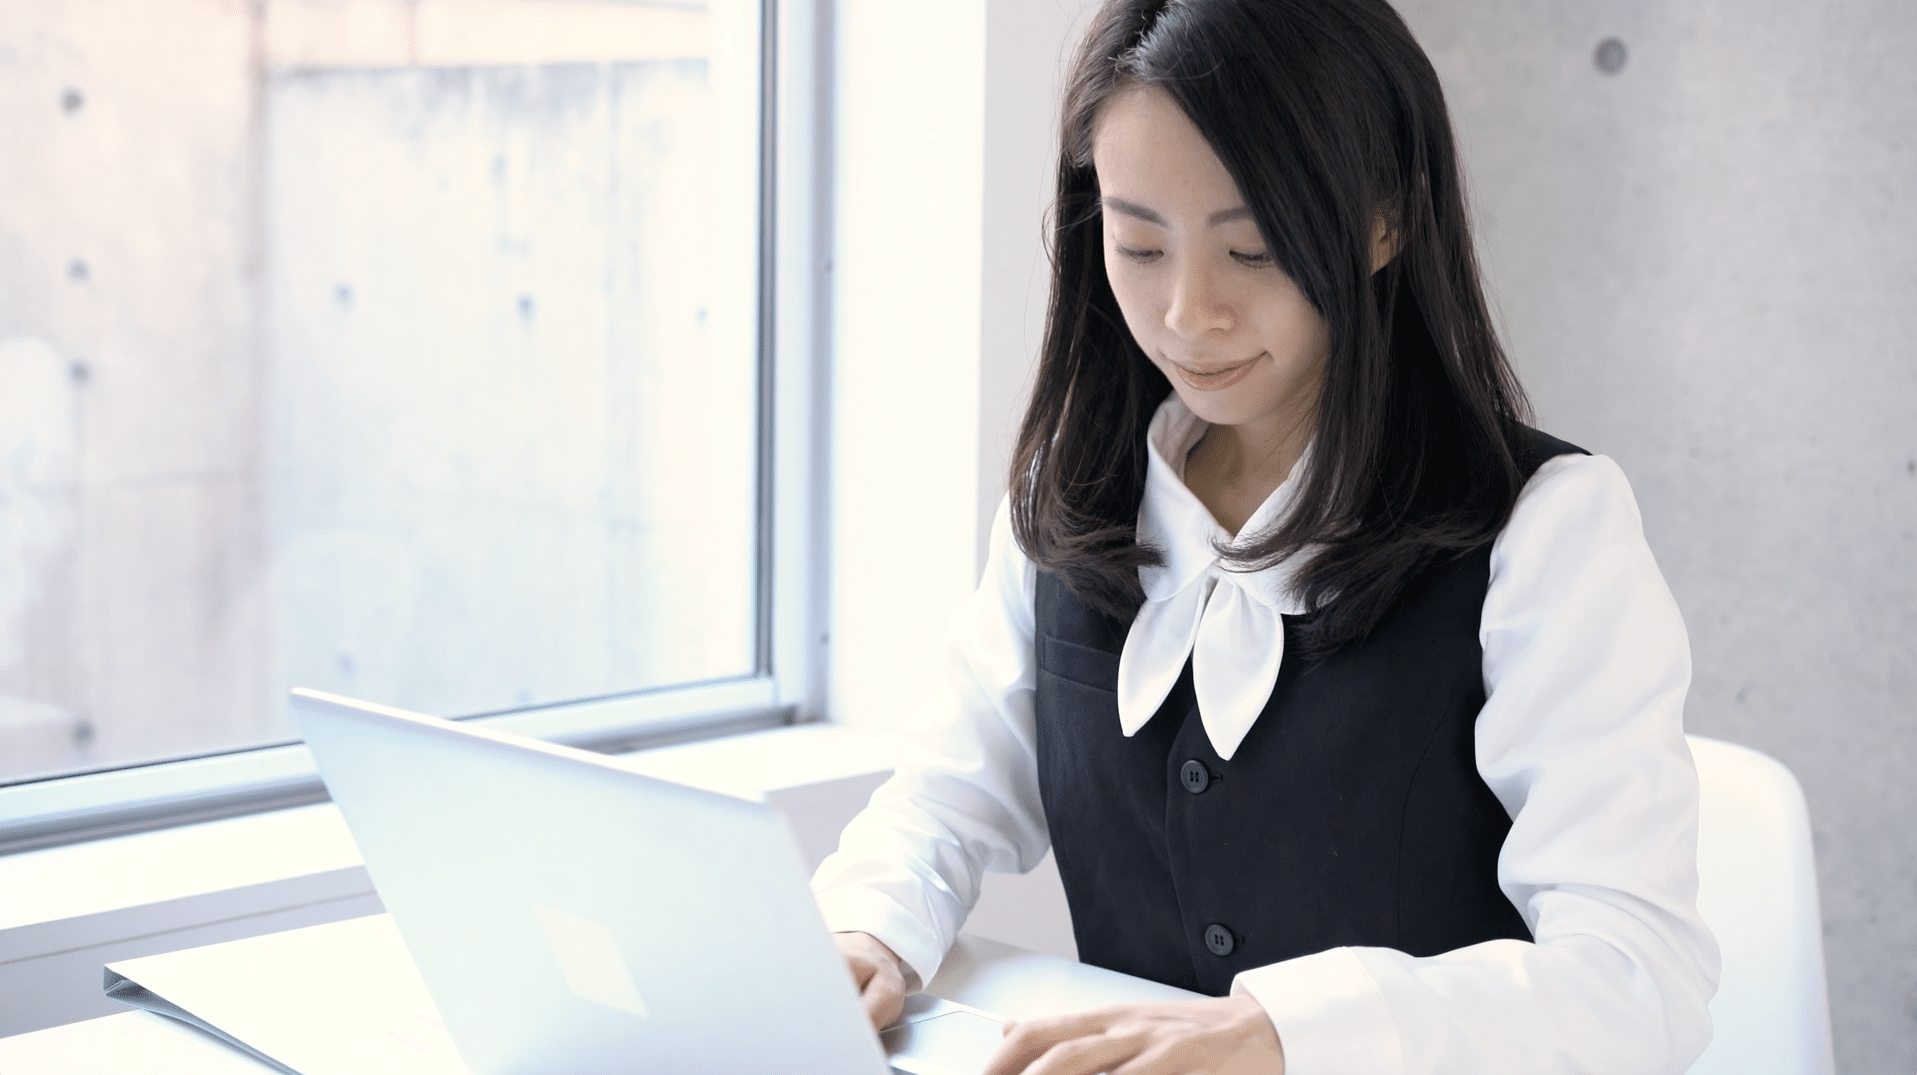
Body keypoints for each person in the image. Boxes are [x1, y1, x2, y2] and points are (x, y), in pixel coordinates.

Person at [811, 1, 1721, 1072]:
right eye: (1139, 242)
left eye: (1251, 249)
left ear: (1386, 217)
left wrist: (1293, 1033)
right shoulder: (1073, 495)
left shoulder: (1543, 528)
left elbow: (1636, 984)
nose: (1189, 313)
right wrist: (867, 925)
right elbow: (950, 789)